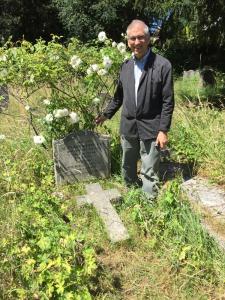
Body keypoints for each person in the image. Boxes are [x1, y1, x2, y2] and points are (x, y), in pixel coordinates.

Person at [95, 19, 174, 199]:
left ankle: (149, 203)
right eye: (132, 38)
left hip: (152, 126)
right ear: (128, 41)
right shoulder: (126, 66)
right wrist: (105, 115)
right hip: (129, 125)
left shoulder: (162, 65)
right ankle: (131, 195)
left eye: (140, 38)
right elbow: (118, 97)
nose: (136, 42)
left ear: (148, 39)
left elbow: (168, 101)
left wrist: (163, 130)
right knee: (128, 165)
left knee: (149, 169)